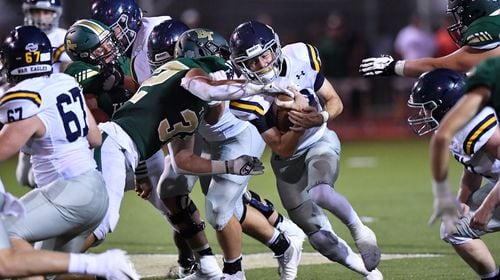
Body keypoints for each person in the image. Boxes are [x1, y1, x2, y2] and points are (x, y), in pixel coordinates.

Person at [183, 20, 383, 279]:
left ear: (275, 48)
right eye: (252, 62)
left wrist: (318, 118)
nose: (262, 65)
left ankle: (361, 231)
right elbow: (281, 147)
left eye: (264, 55)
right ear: (240, 64)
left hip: (320, 141)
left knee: (321, 191)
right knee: (318, 236)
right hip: (286, 160)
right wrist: (298, 126)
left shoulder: (301, 56)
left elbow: (335, 101)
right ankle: (369, 273)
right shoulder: (244, 97)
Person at [154, 27, 305, 280]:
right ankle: (283, 243)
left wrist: (198, 97)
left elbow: (211, 113)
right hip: (211, 138)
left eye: (186, 60)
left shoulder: (215, 77)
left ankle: (234, 273)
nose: (179, 66)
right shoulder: (191, 76)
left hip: (241, 135)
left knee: (218, 208)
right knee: (224, 202)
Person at [0, 23, 108, 267]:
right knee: (53, 270)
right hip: (95, 192)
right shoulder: (65, 82)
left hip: (67, 193)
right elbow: (95, 139)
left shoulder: (28, 97)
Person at [407, 68, 500, 280]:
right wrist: (462, 201)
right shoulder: (458, 123)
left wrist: (487, 208)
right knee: (454, 228)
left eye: (428, 108)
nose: (423, 114)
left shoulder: (476, 122)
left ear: (446, 105)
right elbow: (473, 166)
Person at [0, 177, 139, 279]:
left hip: (67, 194)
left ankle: (101, 264)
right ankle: (100, 271)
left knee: (8, 251)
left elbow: (24, 174)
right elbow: (95, 139)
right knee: (50, 273)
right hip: (92, 189)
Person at [359, 0, 500, 78]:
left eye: (460, 15)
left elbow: (443, 64)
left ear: (477, 10)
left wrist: (394, 66)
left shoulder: (490, 27)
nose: (459, 23)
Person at [16, 0, 73, 189]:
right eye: (37, 12)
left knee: (37, 178)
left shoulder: (63, 38)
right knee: (23, 177)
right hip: (27, 105)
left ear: (55, 13)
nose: (41, 17)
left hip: (51, 109)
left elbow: (70, 75)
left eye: (46, 12)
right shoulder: (18, 35)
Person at [90, 0, 172, 84]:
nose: (110, 40)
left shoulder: (152, 38)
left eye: (112, 32)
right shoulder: (141, 34)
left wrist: (121, 80)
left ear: (131, 18)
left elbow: (150, 92)